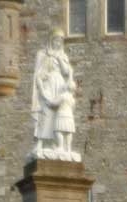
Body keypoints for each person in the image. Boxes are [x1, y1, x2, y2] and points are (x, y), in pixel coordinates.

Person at [31, 32, 79, 161]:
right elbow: (38, 74)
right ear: (51, 41)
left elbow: (67, 72)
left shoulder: (63, 56)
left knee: (58, 116)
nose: (58, 43)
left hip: (60, 86)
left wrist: (59, 59)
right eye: (56, 40)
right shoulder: (42, 54)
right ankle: (40, 143)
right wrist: (41, 85)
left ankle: (58, 145)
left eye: (60, 41)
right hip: (47, 86)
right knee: (45, 113)